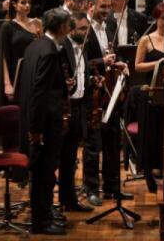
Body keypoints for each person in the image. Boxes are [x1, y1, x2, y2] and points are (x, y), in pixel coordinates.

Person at [17, 8, 71, 235]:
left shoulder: (35, 46)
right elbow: (40, 93)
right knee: (44, 174)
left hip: (33, 118)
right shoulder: (49, 52)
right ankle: (41, 221)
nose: (69, 30)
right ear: (61, 27)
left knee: (42, 173)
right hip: (45, 124)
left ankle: (44, 214)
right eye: (68, 26)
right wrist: (36, 129)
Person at [82, 0, 131, 205]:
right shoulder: (83, 29)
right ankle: (91, 188)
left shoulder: (110, 26)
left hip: (110, 91)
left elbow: (112, 56)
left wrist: (119, 64)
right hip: (93, 94)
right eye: (103, 7)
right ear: (90, 6)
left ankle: (112, 187)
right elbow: (81, 62)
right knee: (93, 144)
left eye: (109, 7)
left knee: (113, 141)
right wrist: (103, 62)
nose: (107, 11)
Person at [133, 2, 164, 193]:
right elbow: (137, 66)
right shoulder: (147, 39)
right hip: (150, 91)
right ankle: (149, 173)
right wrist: (158, 63)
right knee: (151, 135)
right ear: (156, 19)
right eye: (163, 18)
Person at [58, 12, 94, 212]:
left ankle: (69, 200)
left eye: (87, 28)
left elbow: (83, 73)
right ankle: (57, 202)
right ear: (71, 30)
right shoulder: (61, 47)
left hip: (79, 107)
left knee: (71, 158)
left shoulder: (83, 45)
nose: (86, 32)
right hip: (65, 109)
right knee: (61, 158)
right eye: (82, 29)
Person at [0, 0, 41, 107]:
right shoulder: (7, 26)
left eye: (29, 2)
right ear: (14, 5)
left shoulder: (37, 23)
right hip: (16, 74)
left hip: (34, 73)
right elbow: (3, 57)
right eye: (23, 2)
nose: (27, 5)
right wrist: (7, 84)